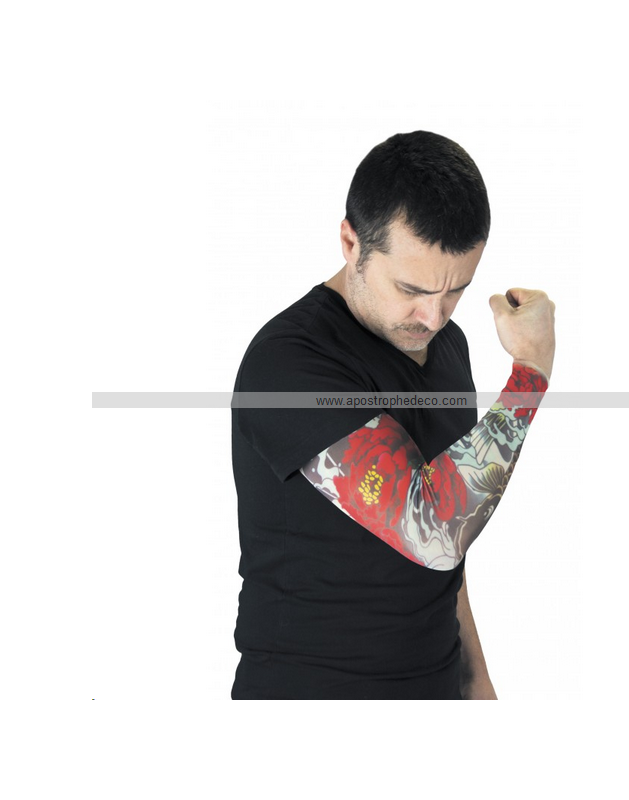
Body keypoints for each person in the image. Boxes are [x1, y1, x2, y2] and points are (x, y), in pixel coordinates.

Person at [230, 130, 556, 699]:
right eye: (411, 288)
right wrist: (530, 374)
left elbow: (449, 549)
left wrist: (475, 680)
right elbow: (431, 528)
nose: (433, 316)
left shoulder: (447, 345)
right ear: (350, 242)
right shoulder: (287, 364)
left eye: (455, 290)